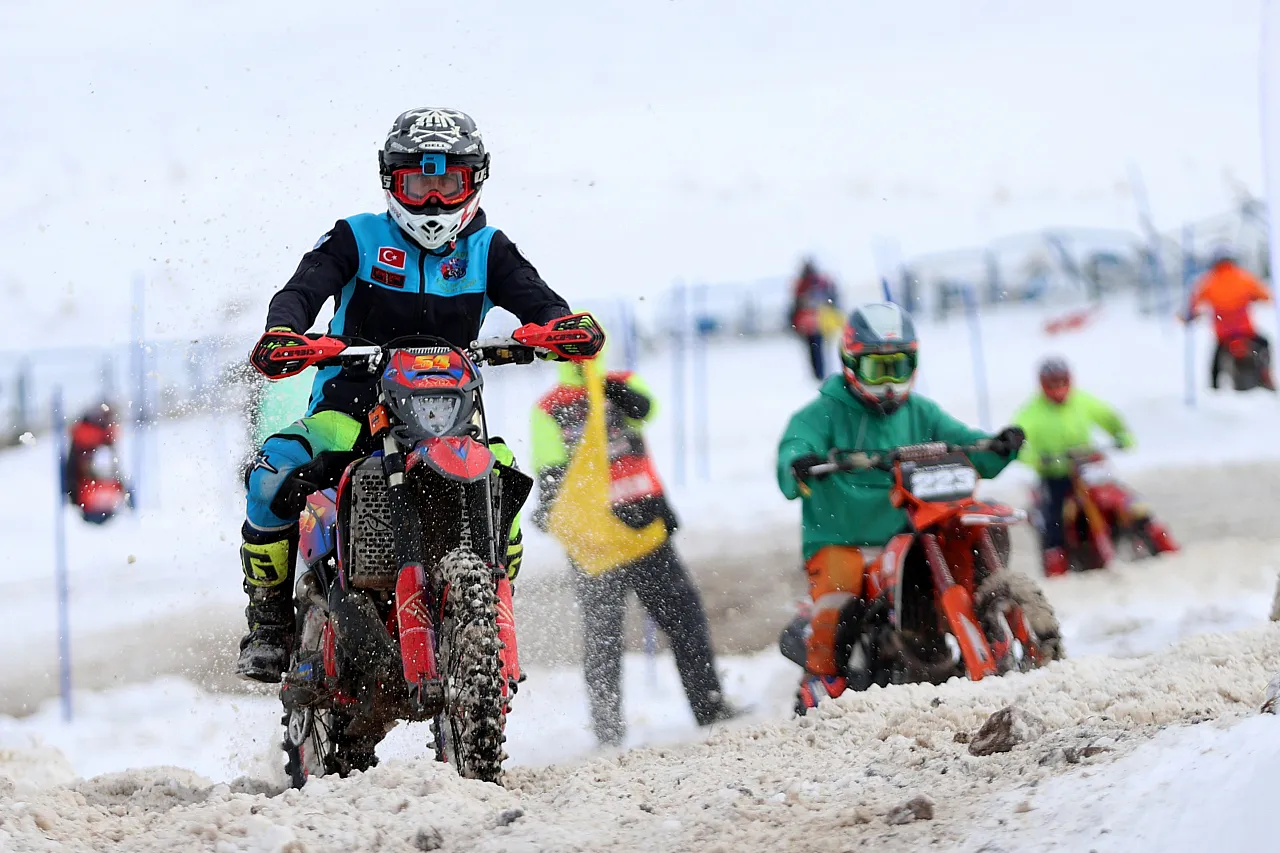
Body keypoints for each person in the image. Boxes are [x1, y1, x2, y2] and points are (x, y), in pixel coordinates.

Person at [237, 107, 603, 683]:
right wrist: (285, 332)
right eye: (419, 183)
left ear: (474, 182)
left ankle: (482, 618)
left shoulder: (488, 249)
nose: (433, 201)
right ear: (392, 183)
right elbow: (302, 290)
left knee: (503, 477)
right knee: (272, 473)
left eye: (447, 182)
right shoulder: (356, 236)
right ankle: (269, 624)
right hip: (349, 407)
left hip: (449, 418)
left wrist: (559, 327)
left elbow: (539, 300)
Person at [776, 302, 1024, 711]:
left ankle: (994, 640)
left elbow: (964, 443)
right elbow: (794, 448)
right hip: (843, 538)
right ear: (851, 363)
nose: (891, 383)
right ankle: (822, 680)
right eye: (879, 369)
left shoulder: (921, 411)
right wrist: (800, 464)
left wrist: (998, 446)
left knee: (968, 550)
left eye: (901, 366)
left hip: (912, 532)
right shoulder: (822, 412)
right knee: (837, 603)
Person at [530, 357, 738, 746]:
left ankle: (709, 708)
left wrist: (608, 390)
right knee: (604, 641)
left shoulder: (620, 382)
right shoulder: (549, 409)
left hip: (644, 535)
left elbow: (646, 409)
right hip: (598, 547)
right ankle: (609, 732)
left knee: (684, 622)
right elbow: (549, 475)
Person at [1012, 358, 1174, 577]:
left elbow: (1109, 417)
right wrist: (1036, 459)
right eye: (1053, 383)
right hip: (1057, 474)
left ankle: (1159, 537)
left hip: (1089, 467)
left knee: (1127, 500)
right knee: (1055, 518)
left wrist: (1122, 435)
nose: (1059, 388)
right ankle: (1056, 566)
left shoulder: (1083, 401)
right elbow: (1018, 443)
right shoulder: (1031, 412)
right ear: (1043, 385)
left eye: (1062, 381)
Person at [1185, 248, 1275, 390]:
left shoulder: (1208, 282)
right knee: (1265, 344)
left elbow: (1193, 306)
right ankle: (1266, 375)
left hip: (1223, 334)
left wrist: (1189, 316)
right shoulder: (1245, 278)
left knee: (1214, 365)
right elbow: (1266, 297)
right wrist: (1254, 298)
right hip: (1246, 331)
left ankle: (1214, 388)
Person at [789, 258, 841, 380]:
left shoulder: (802, 284)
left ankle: (819, 373)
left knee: (814, 350)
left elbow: (794, 306)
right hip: (817, 322)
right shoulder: (818, 282)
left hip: (810, 323)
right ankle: (821, 373)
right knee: (820, 349)